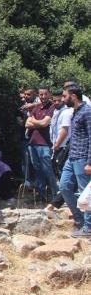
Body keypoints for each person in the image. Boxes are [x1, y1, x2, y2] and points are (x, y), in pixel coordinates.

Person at [59, 85, 91, 238]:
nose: (62, 99)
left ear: (73, 96)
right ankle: (80, 220)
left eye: (64, 96)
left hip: (83, 157)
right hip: (72, 157)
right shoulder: (75, 112)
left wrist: (90, 162)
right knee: (64, 187)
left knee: (86, 193)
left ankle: (88, 227)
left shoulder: (87, 112)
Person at [25, 87, 59, 200]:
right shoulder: (37, 107)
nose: (43, 97)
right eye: (41, 94)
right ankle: (41, 194)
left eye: (45, 94)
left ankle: (56, 195)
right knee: (37, 169)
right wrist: (37, 123)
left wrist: (33, 121)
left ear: (49, 94)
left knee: (48, 169)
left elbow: (45, 123)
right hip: (32, 142)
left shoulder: (52, 106)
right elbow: (26, 124)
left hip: (45, 143)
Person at [46, 92, 72, 211]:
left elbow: (64, 130)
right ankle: (62, 199)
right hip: (56, 146)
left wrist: (56, 145)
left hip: (62, 147)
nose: (56, 103)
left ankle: (64, 200)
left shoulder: (67, 112)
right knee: (59, 173)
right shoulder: (55, 111)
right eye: (54, 101)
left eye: (59, 101)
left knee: (64, 176)